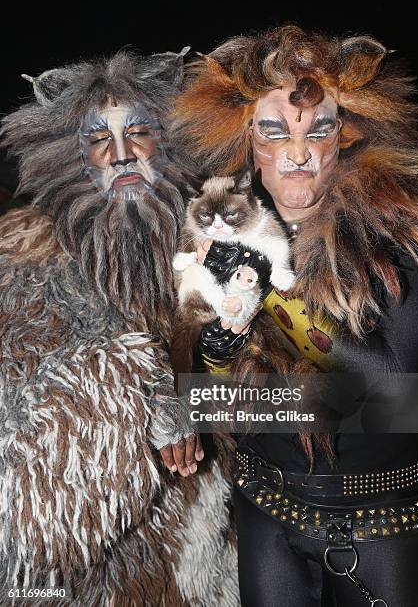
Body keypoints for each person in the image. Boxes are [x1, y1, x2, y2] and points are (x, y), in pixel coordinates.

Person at [173, 25, 418, 606]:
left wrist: (270, 289)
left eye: (319, 129)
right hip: (265, 512)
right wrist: (210, 353)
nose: (297, 153)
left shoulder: (402, 228)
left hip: (378, 522)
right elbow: (212, 399)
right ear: (245, 139)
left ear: (348, 134)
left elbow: (403, 399)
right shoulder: (218, 224)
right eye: (273, 131)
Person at [0, 51, 239, 606]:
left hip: (220, 565)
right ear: (75, 158)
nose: (123, 153)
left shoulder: (233, 246)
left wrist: (196, 401)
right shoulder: (23, 260)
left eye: (139, 132)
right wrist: (137, 398)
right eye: (100, 140)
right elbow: (18, 447)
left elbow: (366, 405)